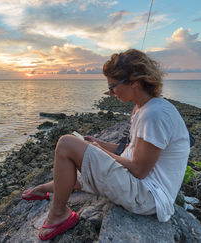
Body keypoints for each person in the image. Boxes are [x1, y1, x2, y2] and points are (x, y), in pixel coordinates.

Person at [21, 49, 191, 241]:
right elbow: (129, 152)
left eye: (113, 86)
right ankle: (44, 188)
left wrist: (100, 152)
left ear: (134, 82)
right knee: (79, 169)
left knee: (66, 143)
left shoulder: (154, 115)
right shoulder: (143, 108)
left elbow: (139, 169)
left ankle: (59, 214)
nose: (110, 92)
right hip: (143, 186)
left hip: (149, 197)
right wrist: (98, 144)